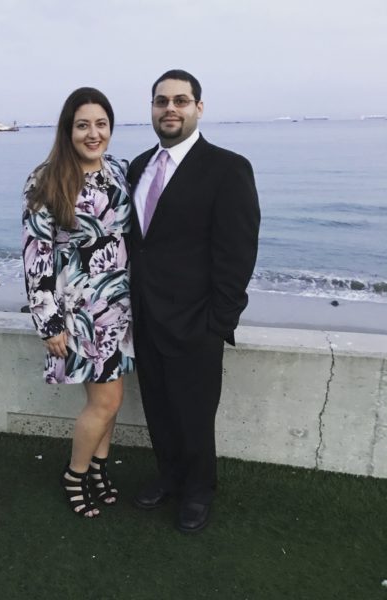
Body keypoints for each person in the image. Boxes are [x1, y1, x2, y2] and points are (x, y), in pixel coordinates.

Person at [128, 69, 260, 533]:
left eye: (180, 100)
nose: (170, 109)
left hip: (196, 322)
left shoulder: (228, 168)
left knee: (195, 413)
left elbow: (238, 252)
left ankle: (199, 490)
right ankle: (169, 476)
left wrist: (218, 323)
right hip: (144, 316)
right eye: (161, 101)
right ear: (152, 109)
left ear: (198, 108)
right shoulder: (138, 166)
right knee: (158, 407)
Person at [22, 87, 135, 518]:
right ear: (68, 130)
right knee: (104, 401)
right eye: (83, 125)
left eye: (101, 124)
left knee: (113, 397)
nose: (93, 133)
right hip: (81, 311)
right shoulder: (46, 178)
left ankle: (98, 468)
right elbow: (36, 255)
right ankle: (76, 474)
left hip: (120, 305)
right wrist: (48, 322)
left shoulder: (120, 170)